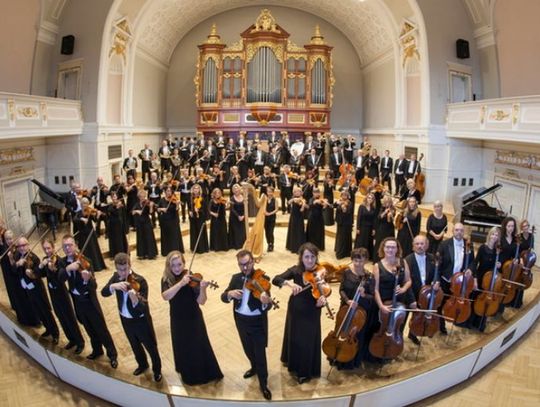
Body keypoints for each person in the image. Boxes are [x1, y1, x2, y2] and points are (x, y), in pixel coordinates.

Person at [161, 251, 223, 385]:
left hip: (194, 318)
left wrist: (203, 289)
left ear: (184, 264)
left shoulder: (192, 278)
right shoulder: (167, 279)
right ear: (169, 266)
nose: (177, 268)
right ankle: (187, 373)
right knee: (183, 345)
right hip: (178, 319)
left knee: (199, 345)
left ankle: (205, 373)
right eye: (173, 266)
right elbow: (165, 296)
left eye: (179, 264)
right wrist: (180, 284)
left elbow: (202, 301)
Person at [58, 234, 118, 367]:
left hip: (89, 301)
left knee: (101, 329)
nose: (67, 248)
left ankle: (112, 354)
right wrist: (68, 269)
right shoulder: (63, 262)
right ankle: (97, 350)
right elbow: (60, 278)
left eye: (70, 245)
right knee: (89, 328)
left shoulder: (86, 261)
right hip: (77, 302)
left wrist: (86, 280)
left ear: (75, 246)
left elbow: (94, 286)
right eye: (65, 246)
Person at [272, 242, 328, 384]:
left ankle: (305, 372)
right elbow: (276, 279)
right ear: (301, 258)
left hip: (313, 310)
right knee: (295, 337)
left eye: (313, 257)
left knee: (307, 340)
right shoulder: (296, 270)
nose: (310, 260)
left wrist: (323, 299)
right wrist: (289, 283)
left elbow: (323, 290)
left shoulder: (320, 271)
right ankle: (292, 362)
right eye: (307, 257)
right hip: (296, 309)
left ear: (316, 257)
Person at [101, 253, 162, 381]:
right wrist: (113, 286)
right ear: (116, 269)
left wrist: (135, 299)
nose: (123, 273)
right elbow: (103, 293)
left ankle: (157, 370)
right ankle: (142, 364)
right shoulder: (115, 278)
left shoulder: (140, 281)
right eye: (120, 270)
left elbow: (144, 308)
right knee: (134, 345)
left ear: (130, 265)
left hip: (141, 321)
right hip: (125, 320)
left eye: (125, 269)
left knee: (150, 346)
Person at [221, 250, 272, 400]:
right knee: (247, 349)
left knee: (260, 355)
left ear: (253, 261)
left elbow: (268, 306)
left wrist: (265, 301)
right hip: (241, 321)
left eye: (248, 263)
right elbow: (223, 296)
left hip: (257, 324)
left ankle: (263, 383)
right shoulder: (236, 278)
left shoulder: (263, 279)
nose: (245, 268)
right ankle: (254, 367)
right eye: (241, 265)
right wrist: (230, 294)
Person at [39, 238, 85, 353]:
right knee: (61, 316)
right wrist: (41, 266)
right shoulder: (45, 260)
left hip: (61, 292)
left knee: (69, 317)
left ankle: (79, 342)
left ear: (53, 248)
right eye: (44, 249)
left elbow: (61, 278)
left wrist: (53, 270)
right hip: (52, 293)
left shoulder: (59, 261)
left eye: (48, 248)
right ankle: (71, 339)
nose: (47, 251)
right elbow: (42, 275)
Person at [371, 237, 414, 356]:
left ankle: (392, 350)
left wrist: (404, 289)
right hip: (383, 302)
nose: (390, 249)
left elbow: (408, 280)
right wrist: (381, 306)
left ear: (397, 249)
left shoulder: (403, 262)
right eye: (388, 247)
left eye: (393, 247)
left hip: (399, 301)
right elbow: (375, 289)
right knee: (381, 327)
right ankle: (378, 351)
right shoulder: (377, 266)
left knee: (396, 327)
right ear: (383, 249)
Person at [334, 248, 375, 369]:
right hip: (345, 309)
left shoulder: (369, 277)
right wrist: (347, 300)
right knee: (341, 331)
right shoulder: (347, 272)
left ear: (366, 261)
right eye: (355, 261)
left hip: (359, 313)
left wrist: (363, 295)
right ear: (352, 260)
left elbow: (372, 297)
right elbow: (341, 289)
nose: (358, 264)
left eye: (361, 261)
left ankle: (351, 360)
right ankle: (337, 356)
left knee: (356, 336)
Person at [14, 237, 60, 343]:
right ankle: (48, 329)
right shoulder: (18, 256)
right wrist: (18, 266)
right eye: (20, 246)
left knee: (45, 311)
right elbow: (16, 270)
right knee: (38, 311)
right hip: (28, 289)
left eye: (24, 245)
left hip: (37, 289)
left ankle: (55, 333)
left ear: (28, 245)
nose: (22, 248)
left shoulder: (34, 258)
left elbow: (38, 274)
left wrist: (31, 276)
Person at [437, 223, 475, 334]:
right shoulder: (444, 244)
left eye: (461, 230)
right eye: (457, 230)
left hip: (460, 282)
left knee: (457, 303)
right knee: (442, 303)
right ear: (453, 231)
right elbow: (439, 264)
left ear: (463, 232)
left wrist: (470, 269)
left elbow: (472, 261)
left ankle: (455, 319)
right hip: (446, 279)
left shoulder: (468, 244)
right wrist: (438, 280)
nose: (459, 232)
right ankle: (441, 325)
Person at [0, 229, 39, 326]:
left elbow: (20, 261)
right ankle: (23, 319)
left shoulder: (16, 248)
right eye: (8, 239)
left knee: (26, 299)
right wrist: (10, 258)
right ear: (4, 240)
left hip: (20, 277)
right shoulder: (5, 250)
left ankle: (34, 320)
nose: (10, 241)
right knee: (19, 299)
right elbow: (11, 267)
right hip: (12, 278)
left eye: (11, 238)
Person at [405, 235, 438, 344]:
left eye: (422, 244)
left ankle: (413, 333)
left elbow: (436, 274)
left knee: (419, 316)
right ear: (413, 246)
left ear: (427, 245)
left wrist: (436, 281)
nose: (420, 246)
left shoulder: (432, 258)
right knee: (405, 316)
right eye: (417, 244)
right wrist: (411, 300)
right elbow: (405, 282)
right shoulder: (407, 260)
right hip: (412, 293)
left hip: (425, 294)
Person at [469, 227, 500, 331]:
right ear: (489, 235)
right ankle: (471, 323)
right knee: (476, 300)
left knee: (486, 302)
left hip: (490, 281)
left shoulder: (498, 250)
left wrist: (498, 264)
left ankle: (481, 324)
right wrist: (475, 279)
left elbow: (495, 267)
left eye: (496, 235)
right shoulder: (483, 247)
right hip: (481, 276)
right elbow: (476, 262)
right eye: (493, 234)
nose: (494, 237)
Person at [74, 198, 106, 271]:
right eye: (84, 203)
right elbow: (75, 219)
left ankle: (96, 266)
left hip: (90, 234)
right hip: (82, 235)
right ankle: (87, 266)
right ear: (81, 204)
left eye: (87, 204)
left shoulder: (90, 211)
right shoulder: (78, 213)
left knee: (93, 249)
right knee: (86, 251)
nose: (86, 205)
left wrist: (98, 215)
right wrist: (82, 219)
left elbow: (95, 220)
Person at [157, 185, 184, 256]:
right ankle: (166, 251)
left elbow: (177, 210)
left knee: (174, 236)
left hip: (173, 220)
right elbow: (157, 208)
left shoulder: (174, 199)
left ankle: (175, 251)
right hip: (165, 221)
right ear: (165, 192)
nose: (169, 192)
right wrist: (162, 209)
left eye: (170, 191)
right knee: (166, 236)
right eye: (167, 191)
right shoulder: (162, 199)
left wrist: (178, 205)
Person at [132, 190, 158, 260]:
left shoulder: (147, 203)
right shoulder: (137, 204)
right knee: (141, 238)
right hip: (139, 223)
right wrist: (137, 211)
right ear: (139, 197)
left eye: (144, 196)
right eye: (141, 196)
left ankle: (151, 254)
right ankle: (142, 254)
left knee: (149, 237)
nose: (143, 198)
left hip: (147, 222)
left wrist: (151, 206)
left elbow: (150, 212)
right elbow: (132, 212)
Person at [106, 192, 129, 258]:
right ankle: (114, 254)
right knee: (114, 239)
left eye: (115, 196)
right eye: (113, 197)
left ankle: (122, 253)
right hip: (112, 224)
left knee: (120, 239)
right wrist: (116, 207)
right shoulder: (110, 205)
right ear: (111, 198)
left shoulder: (120, 204)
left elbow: (122, 213)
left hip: (119, 224)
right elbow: (110, 211)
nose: (114, 198)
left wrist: (119, 206)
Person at [188, 183, 209, 253]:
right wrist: (190, 212)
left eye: (197, 188)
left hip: (200, 218)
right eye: (194, 188)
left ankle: (202, 248)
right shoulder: (190, 198)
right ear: (192, 190)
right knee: (194, 232)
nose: (196, 190)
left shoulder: (202, 199)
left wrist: (199, 211)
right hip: (193, 218)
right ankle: (194, 248)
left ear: (199, 190)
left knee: (201, 232)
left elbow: (205, 209)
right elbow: (189, 208)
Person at [354, 192, 376, 258]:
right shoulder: (362, 206)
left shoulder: (373, 208)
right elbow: (359, 218)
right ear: (366, 198)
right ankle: (358, 255)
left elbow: (374, 220)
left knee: (368, 242)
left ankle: (366, 256)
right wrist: (358, 228)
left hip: (370, 228)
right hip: (362, 227)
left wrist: (374, 229)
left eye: (371, 198)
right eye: (369, 198)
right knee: (361, 241)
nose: (370, 199)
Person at [373, 195, 395, 262]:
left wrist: (391, 215)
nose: (387, 202)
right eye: (386, 201)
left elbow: (390, 221)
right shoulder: (382, 208)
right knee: (380, 243)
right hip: (382, 228)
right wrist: (385, 212)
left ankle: (387, 259)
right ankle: (377, 259)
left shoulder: (393, 208)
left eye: (388, 201)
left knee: (388, 243)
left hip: (389, 228)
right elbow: (379, 217)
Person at [286, 187, 308, 253]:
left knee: (299, 231)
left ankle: (299, 247)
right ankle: (292, 246)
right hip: (293, 217)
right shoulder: (293, 198)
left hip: (299, 217)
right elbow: (288, 202)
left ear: (301, 192)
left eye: (298, 191)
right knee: (293, 230)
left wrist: (303, 205)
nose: (297, 193)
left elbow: (303, 208)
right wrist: (293, 199)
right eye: (295, 191)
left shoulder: (303, 199)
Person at [334, 190, 354, 259]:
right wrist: (337, 203)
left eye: (345, 195)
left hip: (346, 223)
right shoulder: (340, 201)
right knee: (339, 236)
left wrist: (343, 208)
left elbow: (347, 212)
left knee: (344, 237)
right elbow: (333, 206)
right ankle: (338, 249)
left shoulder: (349, 203)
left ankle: (343, 253)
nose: (344, 196)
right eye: (342, 195)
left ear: (347, 196)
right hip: (340, 222)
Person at [228, 184, 246, 250]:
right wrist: (238, 216)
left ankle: (243, 244)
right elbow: (232, 209)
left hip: (243, 216)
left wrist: (243, 215)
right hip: (234, 217)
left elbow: (246, 208)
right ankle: (236, 245)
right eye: (235, 189)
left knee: (242, 230)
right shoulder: (232, 198)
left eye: (237, 188)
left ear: (240, 189)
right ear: (233, 191)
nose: (236, 190)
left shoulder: (244, 197)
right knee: (236, 231)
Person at [264, 186, 278, 252]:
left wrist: (269, 213)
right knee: (266, 232)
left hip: (272, 218)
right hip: (265, 218)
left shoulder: (275, 200)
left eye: (270, 192)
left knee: (270, 232)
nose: (269, 193)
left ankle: (271, 244)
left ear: (273, 192)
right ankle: (268, 243)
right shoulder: (265, 199)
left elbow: (276, 209)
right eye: (268, 191)